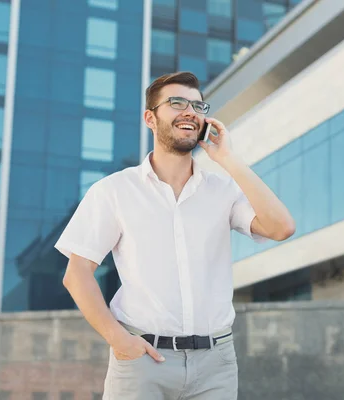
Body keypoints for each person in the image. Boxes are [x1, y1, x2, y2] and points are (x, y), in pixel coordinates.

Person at [56, 71, 295, 399]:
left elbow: (281, 227)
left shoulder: (222, 190)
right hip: (143, 360)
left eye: (198, 106)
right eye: (177, 103)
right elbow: (77, 274)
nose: (190, 111)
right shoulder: (114, 190)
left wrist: (227, 159)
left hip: (217, 363)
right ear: (149, 118)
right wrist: (120, 340)